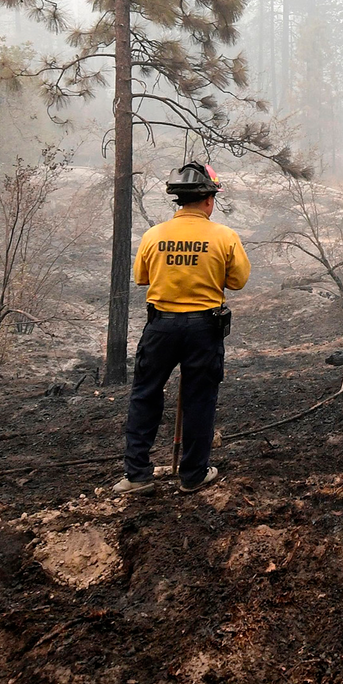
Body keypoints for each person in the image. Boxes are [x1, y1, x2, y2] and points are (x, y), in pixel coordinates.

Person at [116, 163, 250, 494]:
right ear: (208, 200)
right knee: (200, 399)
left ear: (178, 200)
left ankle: (137, 475)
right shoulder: (225, 237)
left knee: (145, 395)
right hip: (204, 329)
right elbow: (238, 280)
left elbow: (142, 278)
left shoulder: (153, 235)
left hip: (160, 326)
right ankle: (193, 475)